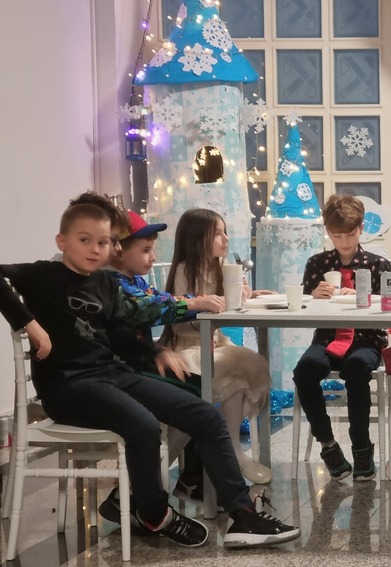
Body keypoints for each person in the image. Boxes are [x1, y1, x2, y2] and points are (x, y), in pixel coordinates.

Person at [0, 202, 299, 548]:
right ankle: (155, 514)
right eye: (85, 240)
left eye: (103, 242)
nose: (95, 249)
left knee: (205, 415)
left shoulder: (105, 283)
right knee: (143, 425)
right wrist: (29, 323)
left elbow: (121, 338)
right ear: (62, 241)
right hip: (68, 386)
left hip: (112, 375)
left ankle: (243, 515)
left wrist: (155, 353)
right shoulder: (42, 275)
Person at [107, 210, 226, 500]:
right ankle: (140, 488)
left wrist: (159, 348)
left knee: (199, 388)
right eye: (145, 250)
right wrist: (196, 303)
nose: (152, 257)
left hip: (139, 363)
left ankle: (190, 475)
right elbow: (150, 308)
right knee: (196, 394)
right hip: (122, 373)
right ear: (118, 250)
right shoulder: (112, 283)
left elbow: (160, 299)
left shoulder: (135, 281)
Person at [160, 209, 273, 485]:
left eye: (225, 232)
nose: (225, 239)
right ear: (197, 239)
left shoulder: (221, 267)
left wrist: (245, 295)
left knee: (249, 366)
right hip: (187, 347)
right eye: (217, 234)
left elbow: (227, 305)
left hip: (213, 344)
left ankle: (223, 446)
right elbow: (189, 319)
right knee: (232, 368)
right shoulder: (185, 271)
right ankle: (229, 450)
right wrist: (219, 301)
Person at [294, 194, 389, 481]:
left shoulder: (378, 264)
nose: (344, 242)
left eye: (350, 234)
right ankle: (327, 443)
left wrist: (364, 297)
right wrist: (313, 295)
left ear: (361, 229)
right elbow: (303, 306)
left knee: (357, 368)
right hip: (327, 337)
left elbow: (390, 307)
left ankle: (361, 445)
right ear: (328, 232)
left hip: (366, 338)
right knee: (305, 370)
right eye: (337, 236)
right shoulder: (317, 263)